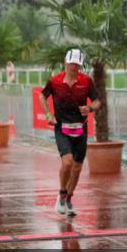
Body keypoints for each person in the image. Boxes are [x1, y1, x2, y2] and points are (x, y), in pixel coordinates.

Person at [39, 49, 100, 216]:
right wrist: (48, 114)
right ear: (66, 62)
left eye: (77, 65)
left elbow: (97, 100)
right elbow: (42, 96)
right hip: (62, 128)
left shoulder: (86, 81)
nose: (74, 67)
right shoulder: (55, 81)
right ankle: (61, 194)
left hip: (81, 128)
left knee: (78, 167)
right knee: (67, 163)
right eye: (71, 64)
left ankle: (69, 198)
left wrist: (90, 108)